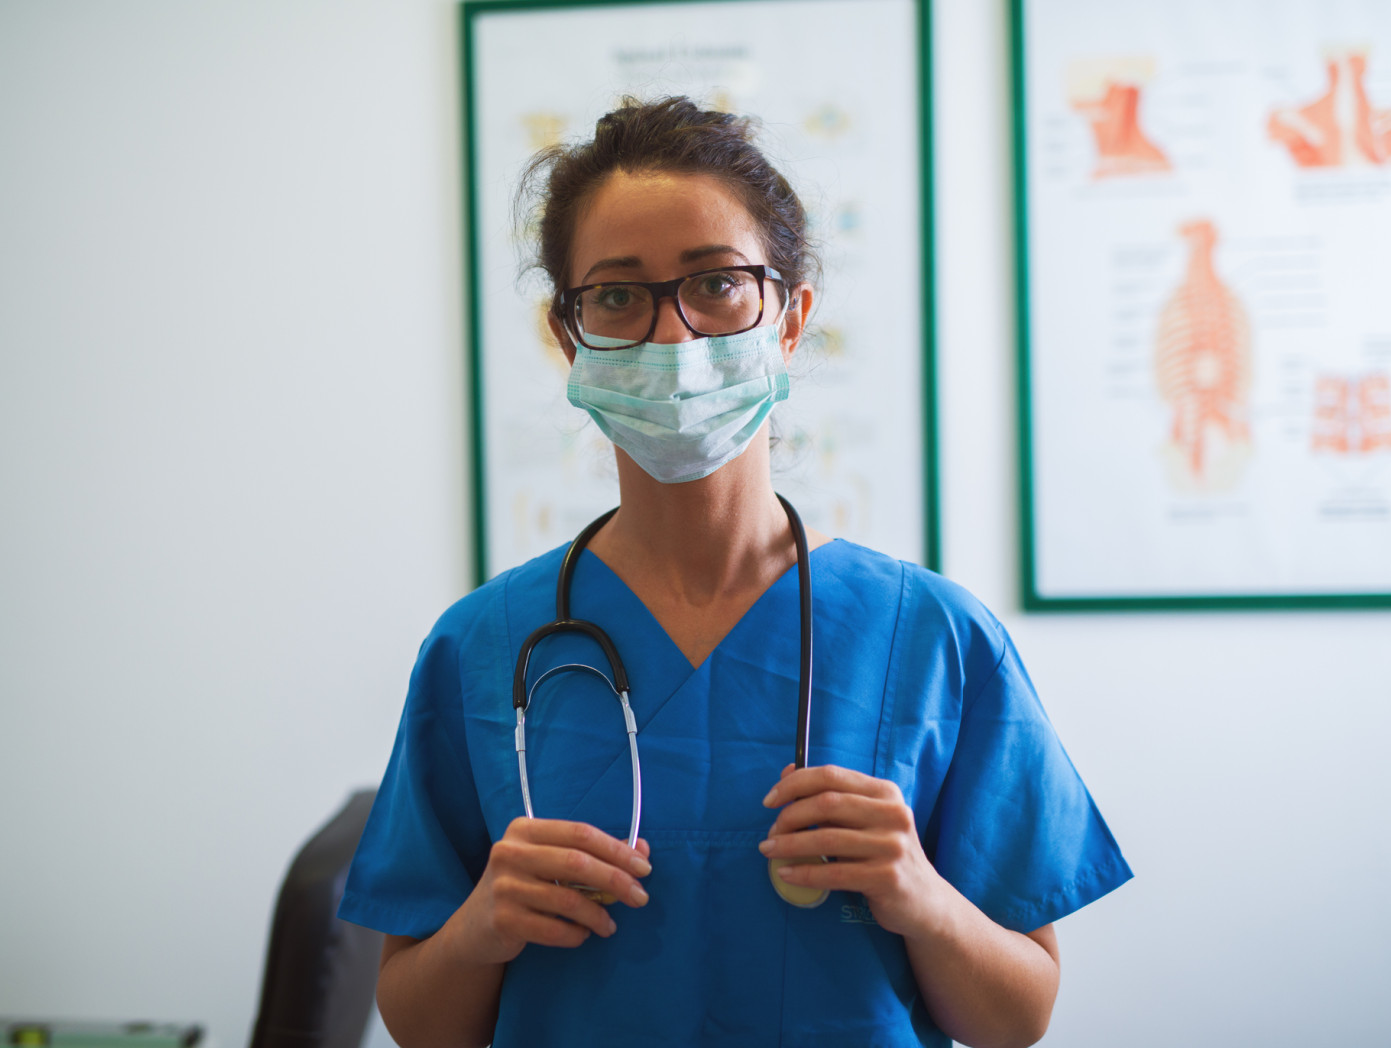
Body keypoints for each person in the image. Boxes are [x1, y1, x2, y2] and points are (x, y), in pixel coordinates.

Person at [338, 96, 1131, 1048]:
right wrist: (482, 928)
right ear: (569, 334)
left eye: (717, 284)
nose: (673, 339)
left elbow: (1016, 1019)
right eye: (619, 296)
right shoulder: (480, 646)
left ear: (790, 318)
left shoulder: (933, 639)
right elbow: (421, 1023)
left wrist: (916, 892)